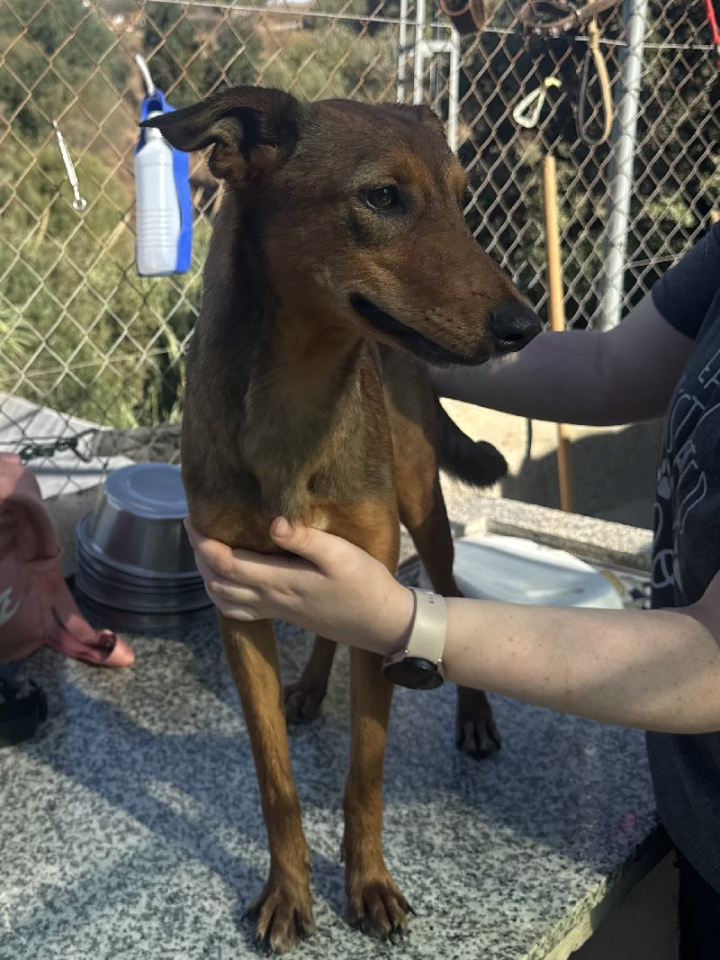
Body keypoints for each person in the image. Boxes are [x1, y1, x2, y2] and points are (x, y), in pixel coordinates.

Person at [186, 222, 720, 959]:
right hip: (696, 816)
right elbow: (606, 364)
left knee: (428, 540)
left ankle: (387, 805)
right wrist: (411, 332)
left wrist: (406, 623)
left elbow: (712, 659)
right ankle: (294, 823)